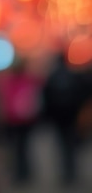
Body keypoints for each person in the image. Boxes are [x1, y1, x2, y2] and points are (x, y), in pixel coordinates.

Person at [41, 51, 90, 185]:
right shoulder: (73, 76)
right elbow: (82, 95)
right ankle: (72, 172)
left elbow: (46, 99)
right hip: (72, 118)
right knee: (71, 145)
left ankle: (66, 173)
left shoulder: (52, 77)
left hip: (58, 119)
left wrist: (47, 118)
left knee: (62, 146)